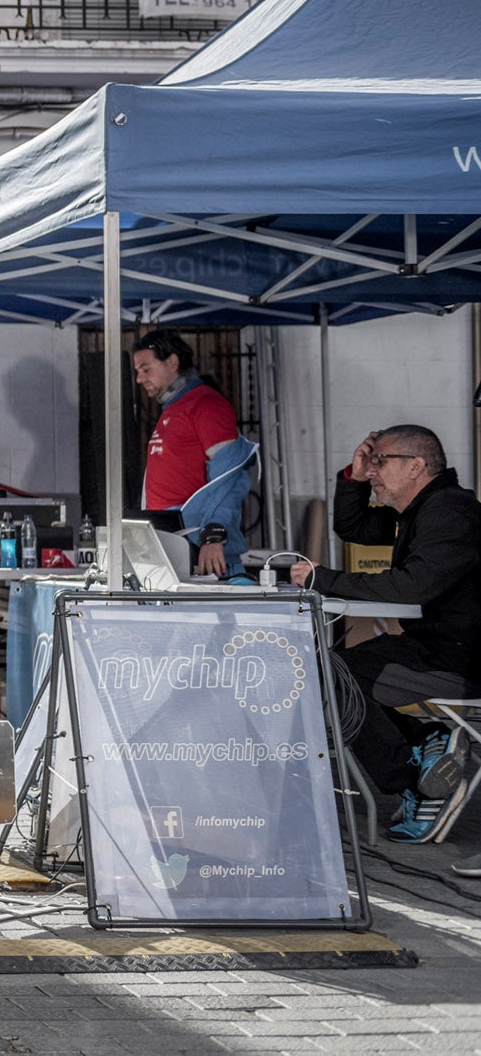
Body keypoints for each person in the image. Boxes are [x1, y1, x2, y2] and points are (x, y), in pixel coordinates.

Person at [290, 425, 481, 842]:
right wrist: (353, 478)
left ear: (416, 466)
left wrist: (321, 579)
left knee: (332, 674)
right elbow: (354, 527)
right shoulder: (422, 508)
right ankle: (428, 746)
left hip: (459, 659)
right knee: (337, 667)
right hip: (434, 648)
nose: (372, 469)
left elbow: (411, 586)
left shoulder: (450, 511)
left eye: (380, 461)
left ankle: (414, 779)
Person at [131, 330, 255, 579]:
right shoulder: (173, 409)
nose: (139, 378)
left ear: (173, 362)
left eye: (145, 369)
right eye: (137, 371)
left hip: (201, 553)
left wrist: (214, 534)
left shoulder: (206, 405)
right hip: (171, 547)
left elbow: (230, 478)